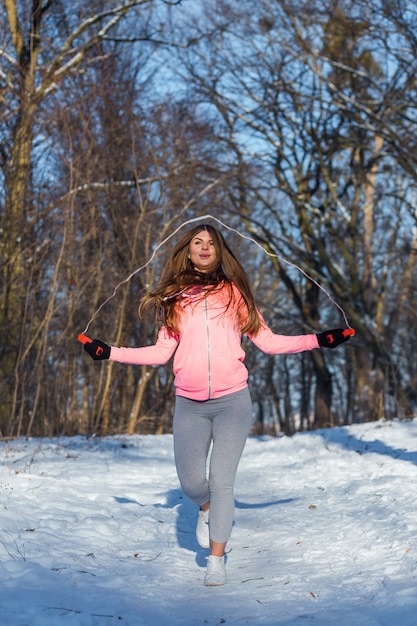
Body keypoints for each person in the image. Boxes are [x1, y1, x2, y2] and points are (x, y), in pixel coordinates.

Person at [83, 224, 352, 586]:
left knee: (222, 481)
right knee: (193, 484)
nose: (205, 248)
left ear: (219, 250)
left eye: (211, 243)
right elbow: (162, 352)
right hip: (189, 404)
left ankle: (216, 557)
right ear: (188, 251)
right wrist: (110, 352)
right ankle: (206, 508)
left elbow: (269, 342)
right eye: (198, 242)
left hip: (232, 402)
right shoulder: (175, 299)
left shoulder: (235, 294)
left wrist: (319, 340)